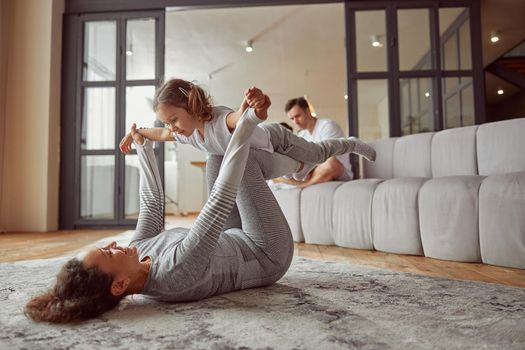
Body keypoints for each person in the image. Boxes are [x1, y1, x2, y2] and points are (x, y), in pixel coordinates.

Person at [24, 106, 333, 323]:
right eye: (109, 252)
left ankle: (294, 164)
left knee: (216, 152)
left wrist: (143, 148)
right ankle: (299, 167)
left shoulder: (137, 256)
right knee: (236, 153)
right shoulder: (175, 274)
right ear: (119, 286)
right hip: (265, 251)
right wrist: (243, 126)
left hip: (233, 235)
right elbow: (218, 203)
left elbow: (152, 204)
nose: (116, 245)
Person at [119, 78, 375, 181]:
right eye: (167, 122)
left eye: (173, 119)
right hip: (263, 153)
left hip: (277, 140)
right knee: (297, 171)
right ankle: (302, 167)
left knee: (319, 153)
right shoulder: (185, 134)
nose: (171, 128)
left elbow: (240, 118)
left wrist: (257, 106)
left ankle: (350, 143)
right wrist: (137, 132)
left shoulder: (217, 118)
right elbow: (162, 134)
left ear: (192, 107)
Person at [275, 97, 373, 187]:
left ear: (307, 111)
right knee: (280, 172)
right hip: (314, 171)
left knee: (330, 163)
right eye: (292, 118)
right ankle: (305, 183)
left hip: (338, 171)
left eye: (298, 116)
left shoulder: (327, 126)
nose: (295, 121)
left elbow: (329, 158)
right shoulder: (302, 135)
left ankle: (304, 185)